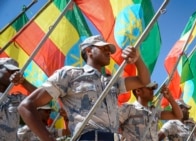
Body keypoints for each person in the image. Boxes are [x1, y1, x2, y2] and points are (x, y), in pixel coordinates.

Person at [18, 35, 151, 141]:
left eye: (108, 49)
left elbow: (143, 80)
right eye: (103, 48)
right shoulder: (70, 75)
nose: (108, 51)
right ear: (89, 51)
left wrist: (137, 59)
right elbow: (26, 106)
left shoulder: (112, 81)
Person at [0, 57, 36, 141]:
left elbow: (44, 99)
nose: (13, 74)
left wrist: (23, 81)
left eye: (15, 72)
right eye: (10, 71)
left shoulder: (15, 99)